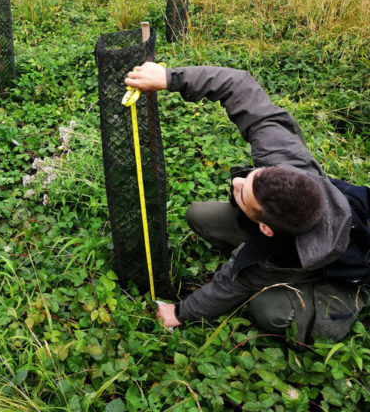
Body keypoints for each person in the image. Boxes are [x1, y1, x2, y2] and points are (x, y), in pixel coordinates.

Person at [125, 62, 369, 342]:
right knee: (200, 215)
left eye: (242, 193)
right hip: (300, 229)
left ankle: (337, 300)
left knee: (270, 310)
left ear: (266, 230)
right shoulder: (285, 158)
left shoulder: (279, 255)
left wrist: (180, 313)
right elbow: (240, 86)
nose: (236, 183)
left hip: (347, 267)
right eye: (251, 176)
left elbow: (233, 283)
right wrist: (169, 78)